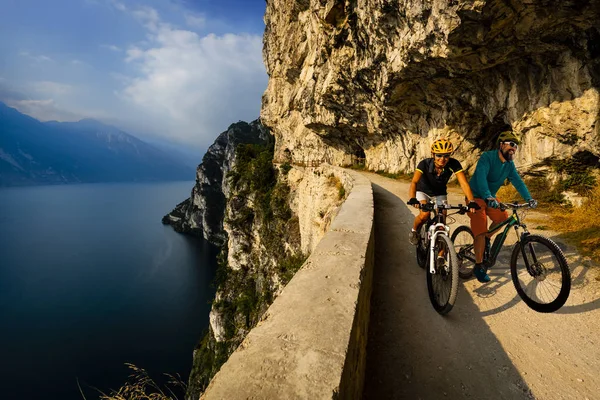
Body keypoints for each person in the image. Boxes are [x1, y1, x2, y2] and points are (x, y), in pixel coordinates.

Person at [468, 130, 537, 283]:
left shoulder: (509, 165)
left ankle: (486, 238)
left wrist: (529, 198)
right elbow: (481, 177)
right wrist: (487, 196)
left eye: (516, 146)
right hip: (475, 196)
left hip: (490, 197)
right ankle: (478, 266)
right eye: (511, 144)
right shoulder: (487, 157)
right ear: (501, 145)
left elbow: (518, 182)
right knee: (480, 229)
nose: (513, 148)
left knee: (502, 217)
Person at [408, 138, 478, 246]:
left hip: (440, 193)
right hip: (423, 192)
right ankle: (414, 231)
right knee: (424, 214)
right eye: (439, 155)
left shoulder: (454, 164)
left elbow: (464, 184)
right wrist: (413, 198)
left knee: (442, 223)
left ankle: (441, 257)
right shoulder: (424, 164)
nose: (442, 159)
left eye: (446, 155)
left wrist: (471, 201)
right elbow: (414, 182)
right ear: (433, 154)